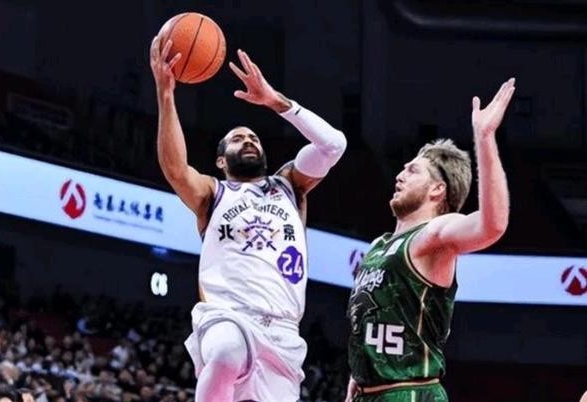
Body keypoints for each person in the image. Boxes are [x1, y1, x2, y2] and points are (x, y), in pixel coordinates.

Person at [149, 35, 347, 402]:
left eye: (253, 137)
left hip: (283, 334)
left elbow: (334, 145)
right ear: (221, 160)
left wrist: (276, 103)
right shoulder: (213, 193)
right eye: (238, 139)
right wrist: (166, 94)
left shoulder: (290, 186)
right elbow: (176, 169)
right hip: (227, 316)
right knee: (227, 353)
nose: (249, 140)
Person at [345, 78, 516, 401]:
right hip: (371, 391)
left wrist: (484, 137)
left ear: (437, 189)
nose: (400, 175)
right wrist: (362, 372)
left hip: (411, 391)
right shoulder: (378, 245)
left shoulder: (434, 234)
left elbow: (492, 225)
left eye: (413, 170)